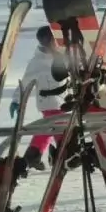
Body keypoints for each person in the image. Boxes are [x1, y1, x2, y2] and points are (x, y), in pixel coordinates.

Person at [20, 26, 70, 171]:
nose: (54, 43)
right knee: (59, 129)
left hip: (63, 101)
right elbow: (25, 82)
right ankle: (63, 155)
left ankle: (33, 156)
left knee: (47, 129)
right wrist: (17, 100)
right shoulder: (37, 61)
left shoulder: (62, 56)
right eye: (52, 40)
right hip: (49, 102)